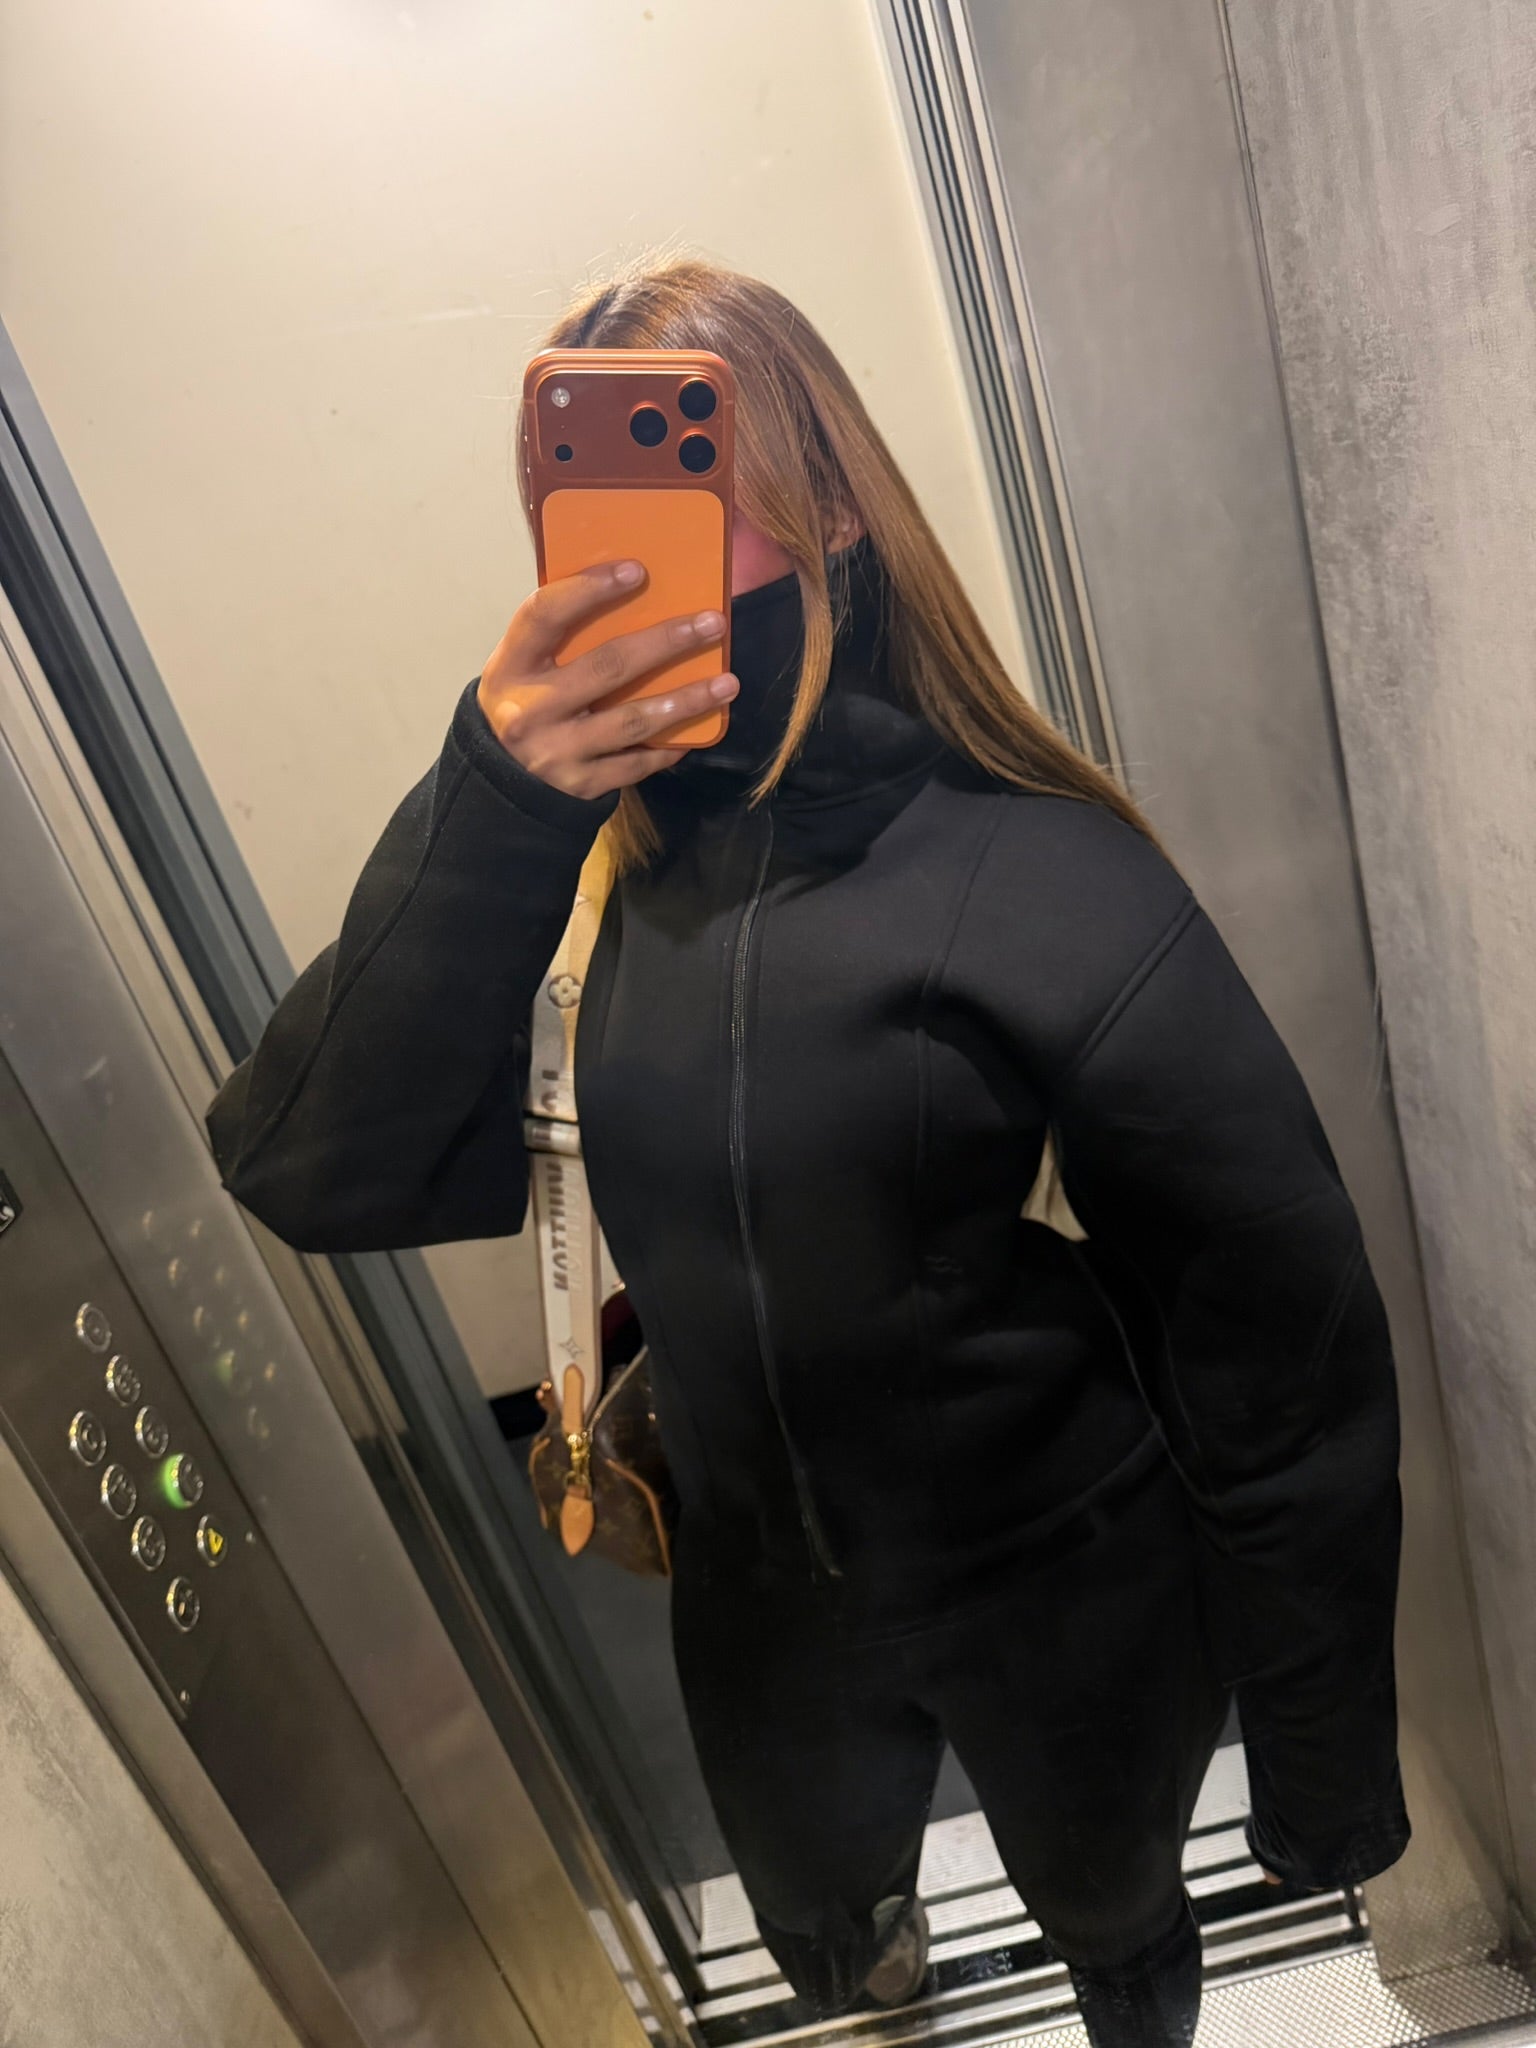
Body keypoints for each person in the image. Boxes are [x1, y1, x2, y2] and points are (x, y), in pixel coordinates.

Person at [205, 257, 1411, 2047]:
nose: (623, 551)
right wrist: (498, 793)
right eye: (576, 495)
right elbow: (309, 1169)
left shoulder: (1037, 870)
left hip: (1057, 1563)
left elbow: (1281, 1341)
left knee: (1118, 1923)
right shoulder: (609, 876)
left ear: (833, 503)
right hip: (761, 1594)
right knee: (825, 1945)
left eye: (682, 476)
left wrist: (1325, 1775)